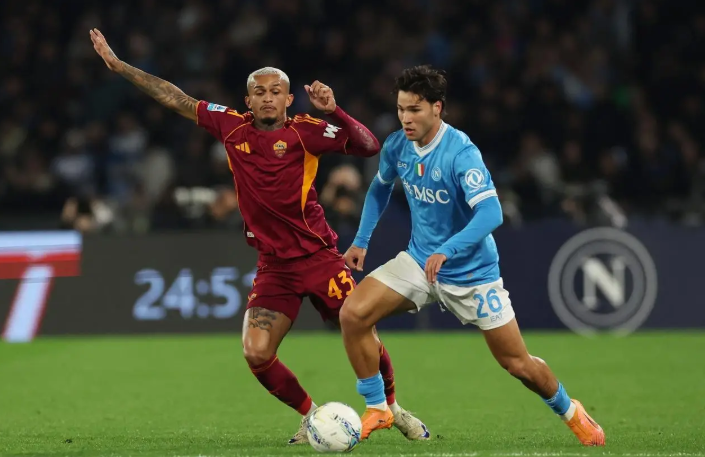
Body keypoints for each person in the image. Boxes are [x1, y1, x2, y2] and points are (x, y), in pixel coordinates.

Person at [90, 29, 429, 444]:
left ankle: (392, 408)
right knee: (256, 352)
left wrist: (335, 112)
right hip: (274, 266)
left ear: (289, 100)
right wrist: (120, 66)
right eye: (259, 92)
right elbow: (175, 98)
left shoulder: (307, 131)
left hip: (319, 257)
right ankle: (312, 416)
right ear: (247, 100)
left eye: (276, 92)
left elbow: (368, 145)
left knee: (363, 330)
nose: (268, 97)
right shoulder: (231, 126)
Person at [340, 65, 605, 446]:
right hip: (419, 262)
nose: (405, 118)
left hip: (472, 274)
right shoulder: (397, 145)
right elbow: (380, 187)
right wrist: (362, 240)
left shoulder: (460, 152)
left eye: (414, 109)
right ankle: (378, 407)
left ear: (437, 108)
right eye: (400, 109)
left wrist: (448, 250)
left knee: (518, 364)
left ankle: (570, 410)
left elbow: (491, 212)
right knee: (353, 314)